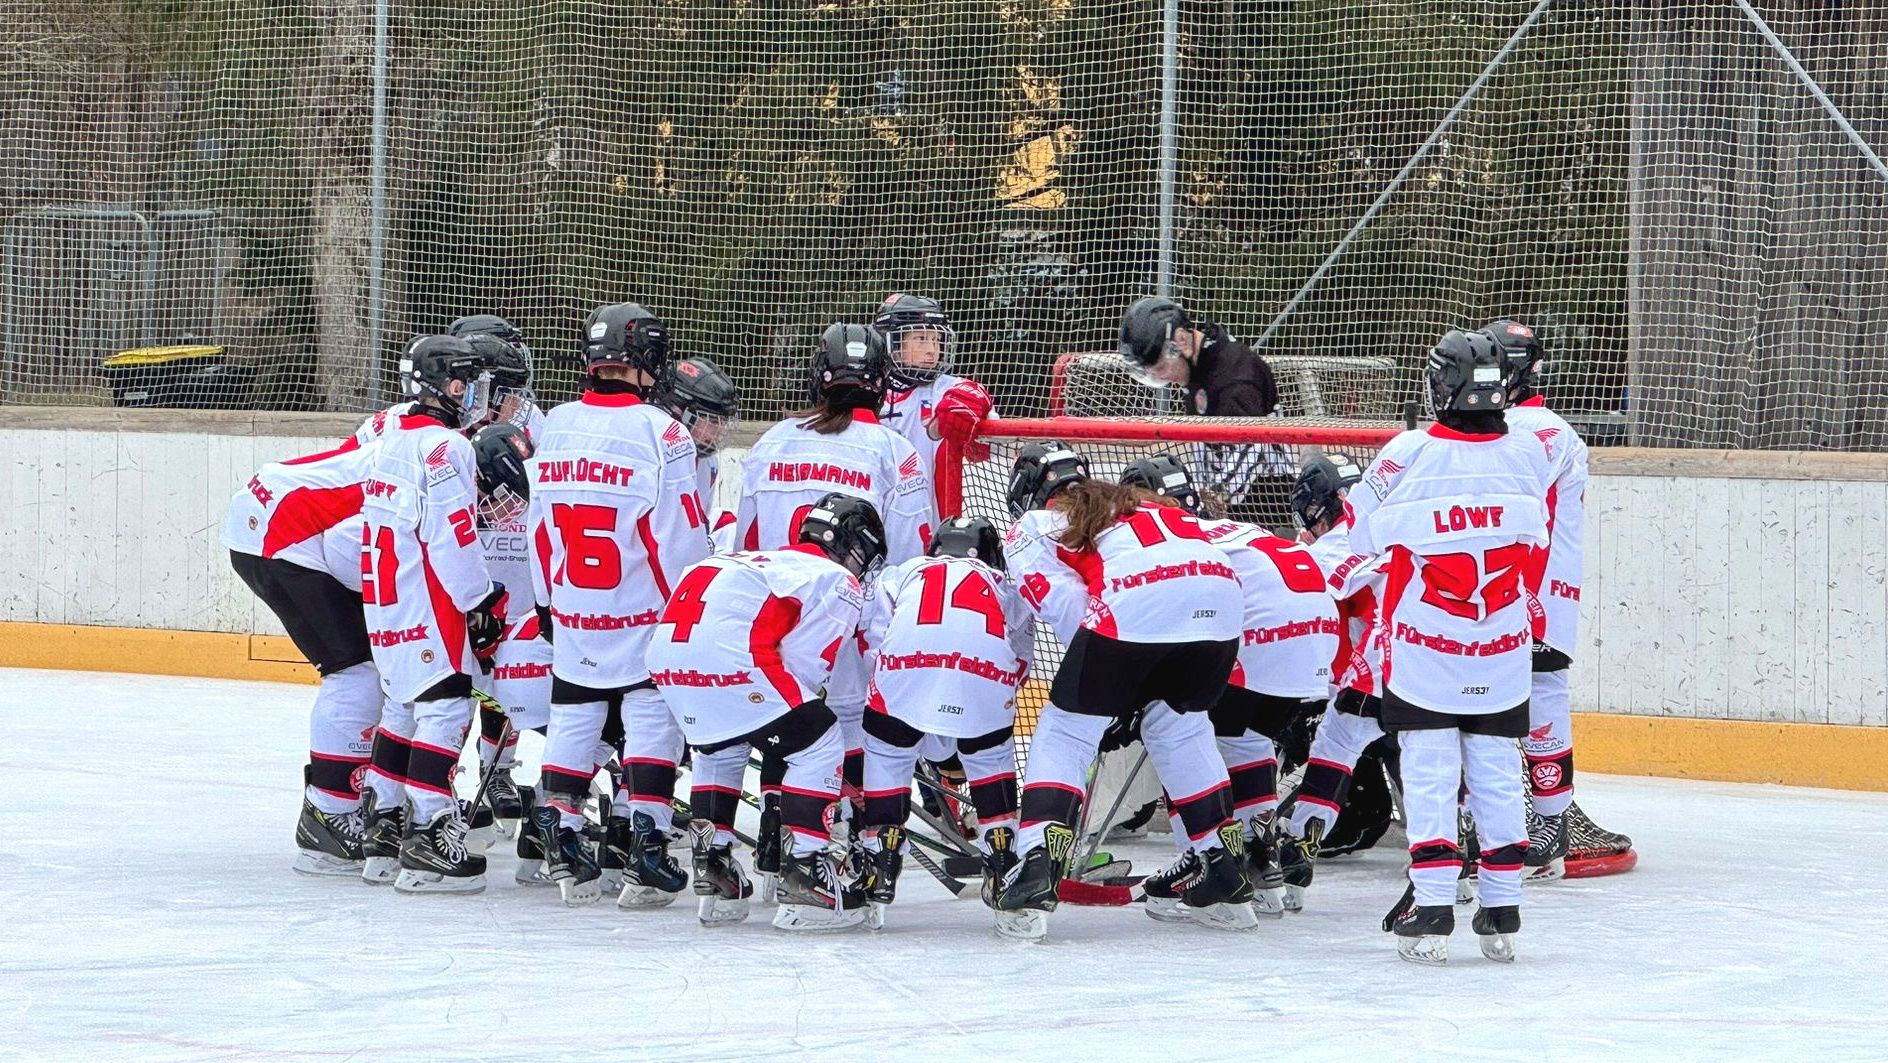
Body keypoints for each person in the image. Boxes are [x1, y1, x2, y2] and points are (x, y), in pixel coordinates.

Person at [994, 443, 1255, 940]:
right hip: (1221, 603)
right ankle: (1223, 865)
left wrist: (1106, 694)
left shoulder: (1037, 522)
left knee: (1067, 731)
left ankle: (1035, 866)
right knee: (1182, 729)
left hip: (1142, 606)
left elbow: (1059, 598)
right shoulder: (1146, 503)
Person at [1349, 329, 1552, 964]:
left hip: (1425, 646)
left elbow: (1358, 531)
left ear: (1442, 384)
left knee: (1431, 770)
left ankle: (1434, 901)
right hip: (1502, 644)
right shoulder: (1530, 451)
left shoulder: (1408, 451)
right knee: (1494, 771)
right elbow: (1539, 544)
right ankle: (1502, 904)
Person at [735, 322, 938, 882]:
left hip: (774, 613)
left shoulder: (773, 440)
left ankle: (779, 825)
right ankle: (843, 836)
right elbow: (910, 555)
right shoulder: (893, 451)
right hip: (850, 612)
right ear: (881, 381)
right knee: (849, 725)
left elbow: (746, 543)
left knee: (787, 717)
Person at [524, 302, 710, 908]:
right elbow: (679, 535)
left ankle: (560, 828)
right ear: (649, 361)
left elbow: (538, 527)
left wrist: (549, 600)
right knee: (651, 713)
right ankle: (648, 846)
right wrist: (688, 604)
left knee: (576, 707)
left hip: (574, 601)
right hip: (640, 603)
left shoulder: (555, 422)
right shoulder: (666, 432)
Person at [646, 493, 882, 931]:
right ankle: (807, 873)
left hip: (666, 663)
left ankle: (713, 866)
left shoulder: (747, 557)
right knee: (820, 740)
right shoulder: (833, 579)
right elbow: (805, 669)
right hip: (733, 660)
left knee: (720, 749)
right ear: (854, 546)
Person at [1119, 454, 1338, 918]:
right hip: (1314, 644)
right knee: (1248, 740)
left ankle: (1204, 866)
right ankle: (1261, 863)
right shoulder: (1236, 528)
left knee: (1174, 733)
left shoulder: (1164, 539)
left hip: (1264, 639)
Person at [358, 335, 509, 894]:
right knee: (445, 705)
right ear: (447, 386)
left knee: (401, 704)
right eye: (467, 382)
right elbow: (453, 537)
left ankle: (382, 823)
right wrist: (479, 600)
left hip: (385, 601)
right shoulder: (447, 448)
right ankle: (430, 832)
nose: (472, 393)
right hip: (429, 599)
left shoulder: (387, 440)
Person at [1481, 319, 1632, 880]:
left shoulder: (1534, 427)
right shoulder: (1525, 424)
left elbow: (1497, 494)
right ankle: (1544, 820)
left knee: (1515, 699)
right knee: (1532, 698)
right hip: (1528, 589)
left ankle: (1542, 822)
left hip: (1526, 590)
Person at [223, 421, 390, 876]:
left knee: (375, 666)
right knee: (358, 672)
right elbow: (346, 540)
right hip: (280, 536)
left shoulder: (408, 423)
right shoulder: (439, 453)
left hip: (280, 518)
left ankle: (355, 797)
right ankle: (329, 818)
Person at [858, 517, 1035, 927]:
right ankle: (1002, 857)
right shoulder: (1007, 585)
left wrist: (909, 688)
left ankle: (880, 858)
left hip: (905, 674)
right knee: (990, 759)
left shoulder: (900, 573)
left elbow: (872, 639)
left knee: (887, 754)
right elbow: (1021, 656)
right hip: (982, 679)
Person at [1276, 452, 1402, 910]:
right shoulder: (1397, 524)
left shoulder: (1336, 543)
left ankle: (1296, 858)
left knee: (1333, 750)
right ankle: (1463, 861)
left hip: (1376, 673)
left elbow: (1306, 602)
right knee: (1434, 767)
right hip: (1439, 667)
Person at [1116, 296, 1294, 529]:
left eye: (1160, 368)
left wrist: (1218, 493)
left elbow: (1254, 445)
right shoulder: (1198, 366)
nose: (1161, 378)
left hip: (1265, 507)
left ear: (1180, 341)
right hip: (1226, 507)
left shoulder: (1235, 377)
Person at [465, 422, 543, 835]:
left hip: (520, 610)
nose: (510, 504)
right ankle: (440, 775)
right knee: (456, 702)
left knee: (507, 693)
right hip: (473, 611)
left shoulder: (525, 487)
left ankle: (499, 771)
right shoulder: (458, 498)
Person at [873, 293, 997, 481]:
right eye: (921, 339)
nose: (932, 349)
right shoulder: (868, 391)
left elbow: (993, 451)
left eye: (936, 339)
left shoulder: (952, 391)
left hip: (934, 508)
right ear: (892, 344)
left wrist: (978, 399)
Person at [652, 355, 740, 524]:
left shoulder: (708, 462)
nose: (719, 430)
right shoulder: (649, 454)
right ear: (678, 410)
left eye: (724, 422)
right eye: (712, 420)